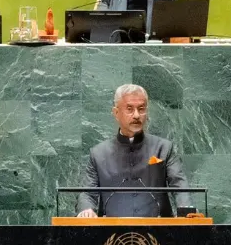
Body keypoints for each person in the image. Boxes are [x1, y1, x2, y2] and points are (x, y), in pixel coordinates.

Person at [76, 84, 191, 218]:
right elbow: (87, 193)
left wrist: (186, 212)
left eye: (141, 109)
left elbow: (179, 185)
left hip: (160, 232)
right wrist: (86, 210)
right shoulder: (98, 153)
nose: (136, 115)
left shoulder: (164, 148)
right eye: (129, 109)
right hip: (110, 233)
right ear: (116, 113)